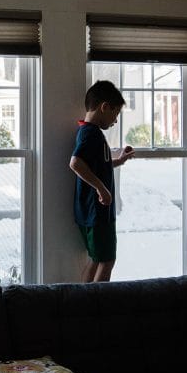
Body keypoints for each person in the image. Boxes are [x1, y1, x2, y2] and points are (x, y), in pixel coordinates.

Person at [70, 80, 135, 282]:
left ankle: (84, 305)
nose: (115, 121)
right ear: (104, 107)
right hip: (97, 211)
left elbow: (96, 166)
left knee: (96, 259)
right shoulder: (91, 134)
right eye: (115, 115)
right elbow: (75, 163)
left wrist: (119, 161)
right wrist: (102, 189)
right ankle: (97, 306)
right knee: (107, 260)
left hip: (90, 211)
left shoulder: (87, 132)